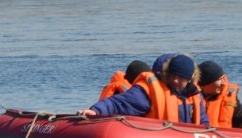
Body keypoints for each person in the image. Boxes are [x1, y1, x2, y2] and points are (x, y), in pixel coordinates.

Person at [78, 53, 209, 125]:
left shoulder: (195, 94)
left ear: (190, 78)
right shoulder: (149, 91)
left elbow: (203, 121)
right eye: (173, 75)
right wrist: (95, 110)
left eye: (181, 78)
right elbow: (117, 103)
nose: (175, 80)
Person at [197, 60, 242, 128]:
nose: (223, 83)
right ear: (205, 84)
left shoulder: (231, 98)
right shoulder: (192, 100)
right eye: (219, 79)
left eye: (223, 78)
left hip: (225, 136)